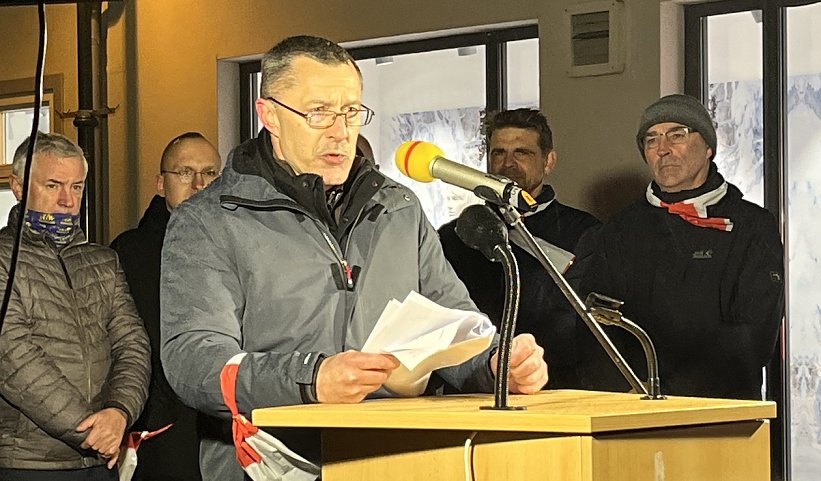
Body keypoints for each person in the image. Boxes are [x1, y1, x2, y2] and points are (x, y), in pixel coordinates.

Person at [159, 35, 548, 481]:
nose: (341, 131)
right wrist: (311, 378)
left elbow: (452, 322)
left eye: (350, 111)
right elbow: (193, 360)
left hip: (394, 461)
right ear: (269, 115)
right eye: (319, 112)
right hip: (264, 465)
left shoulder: (398, 208)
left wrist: (497, 364)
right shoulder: (208, 221)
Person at [572, 94, 784, 399]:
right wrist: (631, 393)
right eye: (651, 139)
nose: (663, 149)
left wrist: (674, 393)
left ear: (709, 146)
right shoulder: (617, 230)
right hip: (633, 409)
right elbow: (594, 328)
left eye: (677, 135)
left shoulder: (753, 226)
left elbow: (754, 336)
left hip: (722, 412)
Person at [0, 132, 150, 481]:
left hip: (102, 458)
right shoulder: (4, 258)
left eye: (77, 187)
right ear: (18, 187)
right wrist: (92, 432)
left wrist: (119, 412)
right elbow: (13, 356)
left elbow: (133, 346)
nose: (68, 200)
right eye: (53, 186)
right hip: (28, 462)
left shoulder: (104, 260)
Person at [438, 108, 600, 389]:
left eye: (522, 153)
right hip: (475, 389)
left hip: (559, 390)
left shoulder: (585, 233)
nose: (508, 164)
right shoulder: (454, 236)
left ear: (548, 160)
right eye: (499, 153)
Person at [110, 132, 222, 481]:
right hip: (161, 431)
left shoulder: (241, 246)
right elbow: (126, 345)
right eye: (185, 172)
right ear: (161, 183)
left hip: (227, 425)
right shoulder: (130, 252)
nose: (199, 183)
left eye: (211, 173)